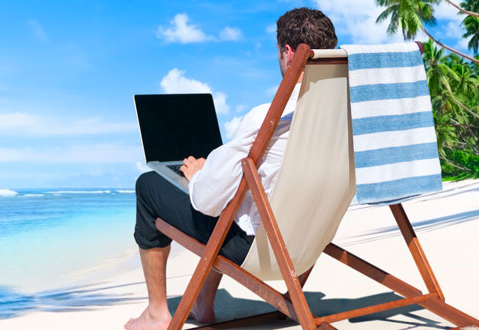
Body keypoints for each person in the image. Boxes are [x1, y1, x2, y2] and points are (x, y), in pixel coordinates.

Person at [124, 8, 338, 330]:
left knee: (149, 186)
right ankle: (204, 302)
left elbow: (207, 202)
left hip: (258, 250)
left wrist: (198, 176)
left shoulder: (268, 119)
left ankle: (156, 312)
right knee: (235, 190)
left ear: (288, 52)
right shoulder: (343, 120)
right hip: (307, 241)